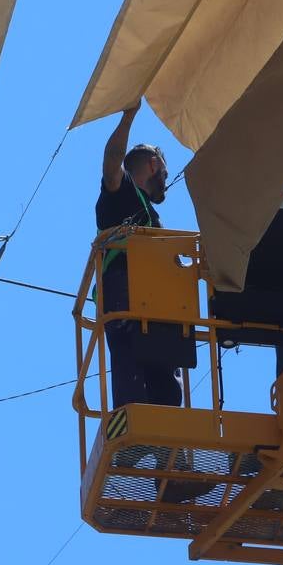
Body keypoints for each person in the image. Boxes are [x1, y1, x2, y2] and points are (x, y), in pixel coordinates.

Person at [95, 101, 177, 409]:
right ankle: (133, 429)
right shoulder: (123, 191)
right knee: (131, 372)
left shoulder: (151, 215)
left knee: (166, 382)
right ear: (154, 164)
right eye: (164, 173)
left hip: (158, 301)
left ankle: (169, 443)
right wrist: (129, 115)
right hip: (125, 290)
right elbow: (111, 163)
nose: (166, 181)